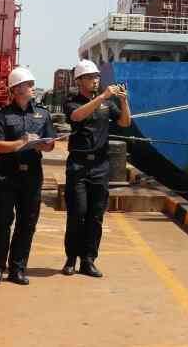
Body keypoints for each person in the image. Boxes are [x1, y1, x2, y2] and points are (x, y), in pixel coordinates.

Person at [62, 60, 131, 277]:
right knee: (77, 213)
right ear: (79, 81)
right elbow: (76, 116)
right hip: (78, 165)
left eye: (97, 77)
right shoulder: (72, 102)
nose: (95, 80)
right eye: (91, 77)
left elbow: (125, 123)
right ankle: (71, 259)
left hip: (100, 166)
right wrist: (102, 97)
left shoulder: (107, 104)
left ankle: (88, 260)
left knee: (95, 215)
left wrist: (124, 101)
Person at [0, 66, 56, 286]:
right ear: (17, 89)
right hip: (6, 176)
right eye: (29, 85)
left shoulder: (43, 114)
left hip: (32, 177)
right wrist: (21, 143)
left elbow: (51, 144)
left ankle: (17, 268)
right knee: (2, 222)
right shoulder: (2, 115)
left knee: (27, 223)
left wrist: (44, 145)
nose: (33, 88)